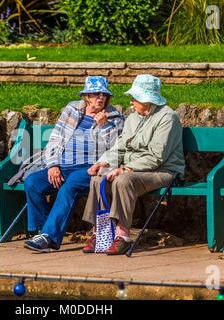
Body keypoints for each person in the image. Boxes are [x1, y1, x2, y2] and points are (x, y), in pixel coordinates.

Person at [82, 74, 185, 255]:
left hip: (164, 170)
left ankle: (123, 237)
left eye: (134, 98)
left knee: (123, 181)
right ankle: (100, 233)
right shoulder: (133, 118)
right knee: (98, 179)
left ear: (147, 99)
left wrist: (126, 169)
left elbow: (157, 156)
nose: (130, 101)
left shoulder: (168, 117)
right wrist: (104, 162)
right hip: (134, 169)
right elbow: (120, 147)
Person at [23, 76, 124, 253]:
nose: (99, 98)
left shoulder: (114, 117)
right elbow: (55, 139)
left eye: (103, 95)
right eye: (95, 94)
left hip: (91, 168)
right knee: (32, 182)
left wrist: (104, 126)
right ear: (86, 96)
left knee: (70, 186)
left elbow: (116, 149)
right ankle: (42, 232)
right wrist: (53, 165)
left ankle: (50, 237)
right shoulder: (71, 110)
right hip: (62, 165)